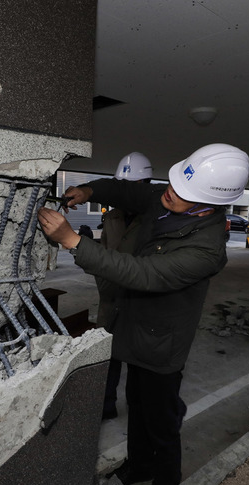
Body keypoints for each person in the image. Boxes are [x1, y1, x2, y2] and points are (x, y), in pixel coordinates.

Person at [37, 143, 249, 485]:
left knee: (161, 419)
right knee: (136, 404)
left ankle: (167, 482)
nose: (169, 193)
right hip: (136, 328)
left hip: (162, 344)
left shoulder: (205, 250)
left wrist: (72, 242)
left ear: (208, 205)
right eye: (172, 184)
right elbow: (130, 190)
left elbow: (143, 273)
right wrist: (90, 190)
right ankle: (139, 464)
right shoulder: (170, 197)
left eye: (182, 193)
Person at [98, 151, 153, 420]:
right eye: (121, 186)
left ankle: (140, 409)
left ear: (145, 186)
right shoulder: (111, 217)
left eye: (130, 187)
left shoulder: (156, 219)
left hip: (141, 299)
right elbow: (104, 252)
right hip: (110, 298)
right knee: (107, 355)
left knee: (139, 358)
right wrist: (103, 283)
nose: (124, 193)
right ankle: (105, 404)